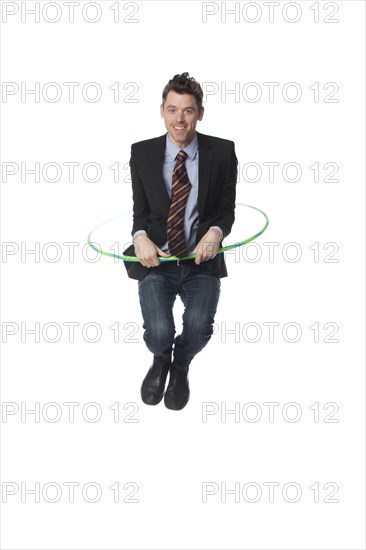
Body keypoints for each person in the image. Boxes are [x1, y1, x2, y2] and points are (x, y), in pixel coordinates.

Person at [126, 72, 238, 411]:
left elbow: (225, 211)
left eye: (188, 111)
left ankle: (181, 364)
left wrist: (215, 234)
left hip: (201, 262)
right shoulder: (142, 153)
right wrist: (140, 237)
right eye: (172, 109)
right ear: (161, 110)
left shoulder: (222, 152)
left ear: (200, 113)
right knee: (158, 332)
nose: (179, 119)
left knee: (200, 328)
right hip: (157, 261)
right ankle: (161, 359)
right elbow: (140, 213)